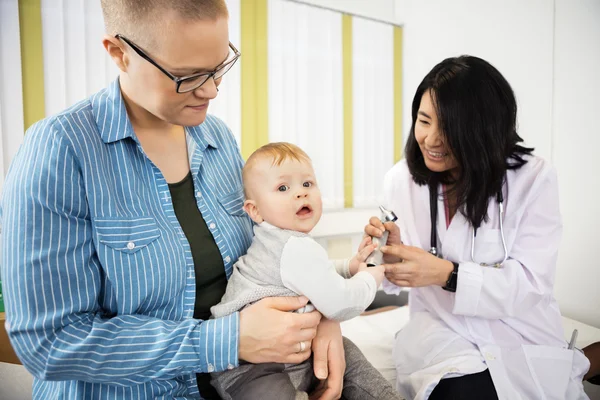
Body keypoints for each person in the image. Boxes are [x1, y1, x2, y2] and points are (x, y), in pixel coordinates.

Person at [0, 1, 347, 398]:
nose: (212, 90)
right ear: (119, 53)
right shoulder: (61, 151)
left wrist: (324, 312)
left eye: (218, 66)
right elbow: (49, 343)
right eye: (187, 76)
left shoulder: (217, 139)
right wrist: (225, 341)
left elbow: (270, 255)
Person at [363, 55, 590, 399]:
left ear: (483, 130)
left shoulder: (533, 179)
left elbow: (532, 285)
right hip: (439, 330)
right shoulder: (401, 180)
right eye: (424, 121)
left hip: (517, 331)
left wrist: (448, 274)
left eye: (450, 128)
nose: (431, 139)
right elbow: (387, 275)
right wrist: (388, 261)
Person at [208, 142, 400, 400]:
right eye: (283, 188)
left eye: (307, 184)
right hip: (252, 365)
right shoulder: (293, 247)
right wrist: (370, 277)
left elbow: (310, 276)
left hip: (295, 352)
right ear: (254, 210)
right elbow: (340, 303)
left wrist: (349, 268)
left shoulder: (276, 241)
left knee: (348, 356)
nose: (300, 194)